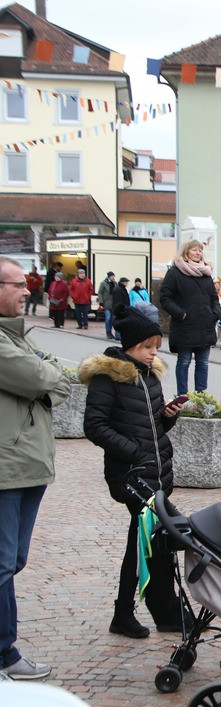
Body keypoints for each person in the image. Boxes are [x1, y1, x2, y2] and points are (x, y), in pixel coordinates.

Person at [80, 305, 185, 637]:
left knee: (142, 541)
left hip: (155, 473)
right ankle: (163, 611)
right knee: (162, 534)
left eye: (156, 345)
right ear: (129, 346)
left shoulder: (149, 374)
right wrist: (133, 451)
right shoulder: (108, 376)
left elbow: (151, 426)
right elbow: (94, 426)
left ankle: (127, 613)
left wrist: (168, 415)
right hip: (131, 475)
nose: (154, 353)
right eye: (147, 346)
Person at [0, 255, 71, 681]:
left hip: (29, 466)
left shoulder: (17, 335)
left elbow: (58, 378)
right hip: (7, 469)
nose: (27, 290)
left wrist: (47, 378)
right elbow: (42, 378)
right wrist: (46, 378)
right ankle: (4, 654)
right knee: (3, 563)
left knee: (14, 560)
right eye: (16, 285)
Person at [160, 241, 220, 396]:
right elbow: (165, 298)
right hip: (184, 326)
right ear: (186, 252)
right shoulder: (175, 272)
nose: (198, 253)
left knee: (203, 364)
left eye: (200, 250)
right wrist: (181, 314)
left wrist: (215, 313)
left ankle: (201, 397)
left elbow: (214, 298)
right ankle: (182, 396)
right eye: (195, 250)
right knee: (184, 362)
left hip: (204, 326)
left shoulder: (206, 274)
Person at [97, 271, 117, 339]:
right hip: (106, 303)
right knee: (108, 318)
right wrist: (101, 301)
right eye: (112, 276)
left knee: (112, 319)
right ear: (109, 276)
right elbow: (100, 292)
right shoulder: (104, 283)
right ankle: (108, 332)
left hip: (114, 304)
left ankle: (111, 332)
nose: (113, 277)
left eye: (114, 276)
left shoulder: (115, 283)